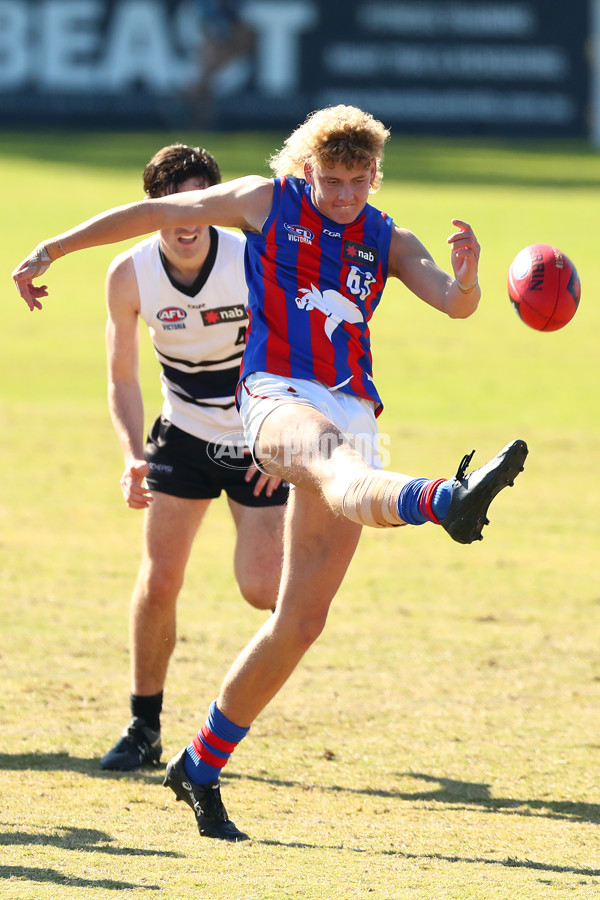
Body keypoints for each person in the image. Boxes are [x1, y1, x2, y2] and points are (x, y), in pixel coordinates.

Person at [13, 105, 528, 841]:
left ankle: (198, 765)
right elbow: (155, 209)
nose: (346, 195)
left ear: (375, 176)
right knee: (343, 476)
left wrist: (471, 279)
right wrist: (52, 249)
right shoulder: (267, 201)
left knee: (300, 621)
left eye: (359, 181)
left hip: (352, 409)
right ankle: (445, 497)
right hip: (275, 398)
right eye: (333, 180)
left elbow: (452, 302)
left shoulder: (388, 236)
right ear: (306, 170)